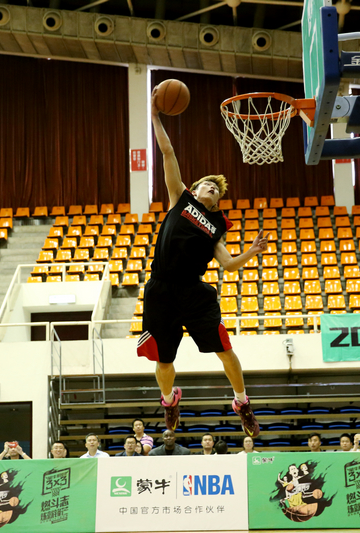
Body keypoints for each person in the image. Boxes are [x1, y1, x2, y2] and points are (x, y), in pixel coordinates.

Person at [138, 91, 269, 438]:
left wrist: (251, 252)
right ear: (194, 190)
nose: (210, 186)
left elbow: (228, 265)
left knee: (225, 349)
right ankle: (169, 400)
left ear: (218, 200)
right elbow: (168, 152)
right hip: (161, 290)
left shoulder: (215, 227)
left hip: (194, 293)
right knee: (164, 361)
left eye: (215, 187)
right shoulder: (179, 198)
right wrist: (155, 116)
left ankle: (242, 403)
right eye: (205, 184)